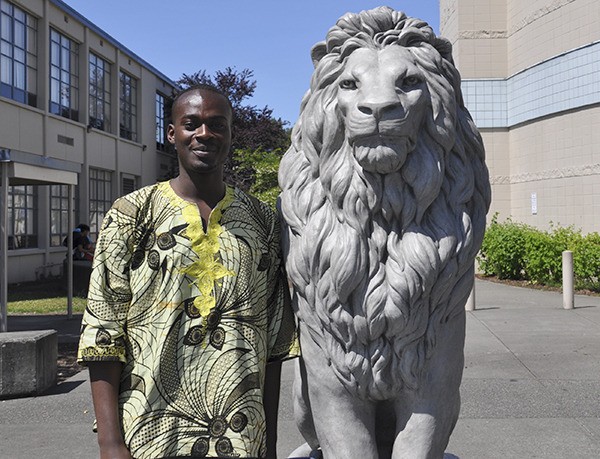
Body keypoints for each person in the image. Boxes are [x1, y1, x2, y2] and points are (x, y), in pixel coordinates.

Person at [78, 84, 297, 459]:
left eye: (216, 125)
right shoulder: (132, 214)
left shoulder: (262, 221)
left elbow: (273, 345)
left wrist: (270, 443)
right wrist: (110, 443)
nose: (204, 134)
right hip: (150, 433)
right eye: (191, 124)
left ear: (229, 134)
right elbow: (103, 329)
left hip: (241, 437)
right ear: (171, 134)